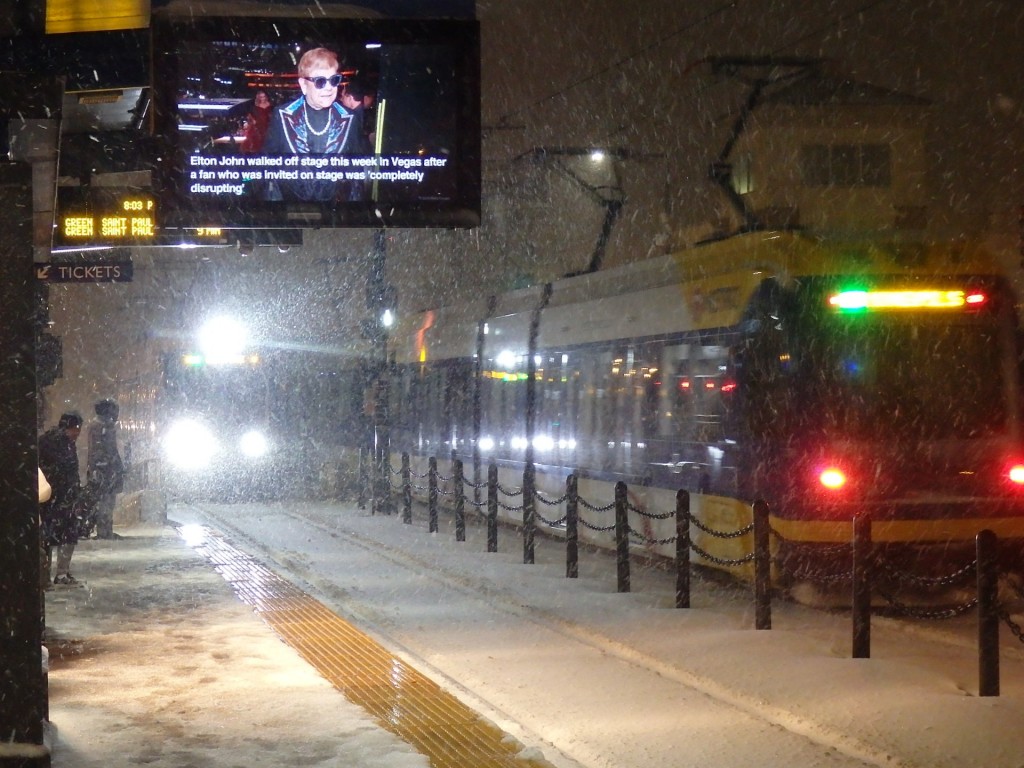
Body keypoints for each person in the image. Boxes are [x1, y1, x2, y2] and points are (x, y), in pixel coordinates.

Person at [261, 47, 366, 201]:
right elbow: (268, 167)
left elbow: (356, 173)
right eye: (320, 81)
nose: (329, 87)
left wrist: (354, 215)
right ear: (303, 85)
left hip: (333, 214)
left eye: (334, 80)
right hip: (291, 212)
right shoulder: (282, 115)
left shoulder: (349, 118)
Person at [38, 412, 84, 586]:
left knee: (49, 536)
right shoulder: (62, 444)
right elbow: (66, 471)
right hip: (61, 496)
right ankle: (60, 574)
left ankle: (47, 575)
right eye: (76, 428)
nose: (78, 433)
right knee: (66, 534)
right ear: (69, 427)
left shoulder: (49, 441)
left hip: (52, 496)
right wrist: (72, 492)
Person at [87, 398, 125, 540]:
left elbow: (93, 451)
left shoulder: (97, 426)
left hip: (103, 470)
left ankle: (105, 531)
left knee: (105, 502)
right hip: (106, 471)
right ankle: (104, 532)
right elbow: (107, 450)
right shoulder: (103, 427)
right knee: (106, 503)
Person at [240, 90, 273, 154]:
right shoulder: (254, 107)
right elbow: (250, 116)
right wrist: (251, 121)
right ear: (258, 97)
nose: (263, 98)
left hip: (268, 126)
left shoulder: (271, 106)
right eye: (261, 97)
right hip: (258, 126)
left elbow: (272, 116)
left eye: (264, 96)